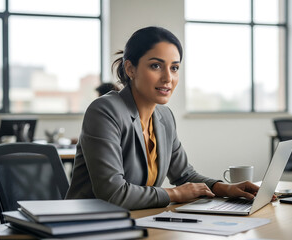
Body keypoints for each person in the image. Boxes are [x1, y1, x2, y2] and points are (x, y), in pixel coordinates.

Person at [66, 26, 259, 210]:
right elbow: (113, 193)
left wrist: (226, 189)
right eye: (156, 66)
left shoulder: (164, 117)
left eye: (174, 68)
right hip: (89, 225)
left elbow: (184, 175)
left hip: (137, 220)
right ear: (130, 69)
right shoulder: (104, 110)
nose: (168, 78)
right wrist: (174, 194)